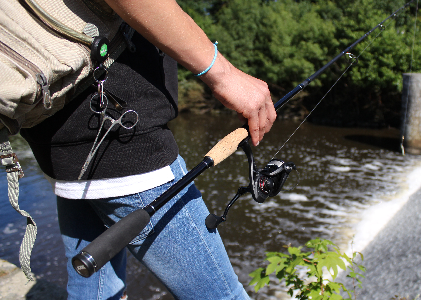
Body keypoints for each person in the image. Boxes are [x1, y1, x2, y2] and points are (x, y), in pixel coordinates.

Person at [19, 0, 276, 299]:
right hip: (129, 147)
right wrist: (223, 73)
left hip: (57, 141)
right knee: (222, 294)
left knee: (94, 288)